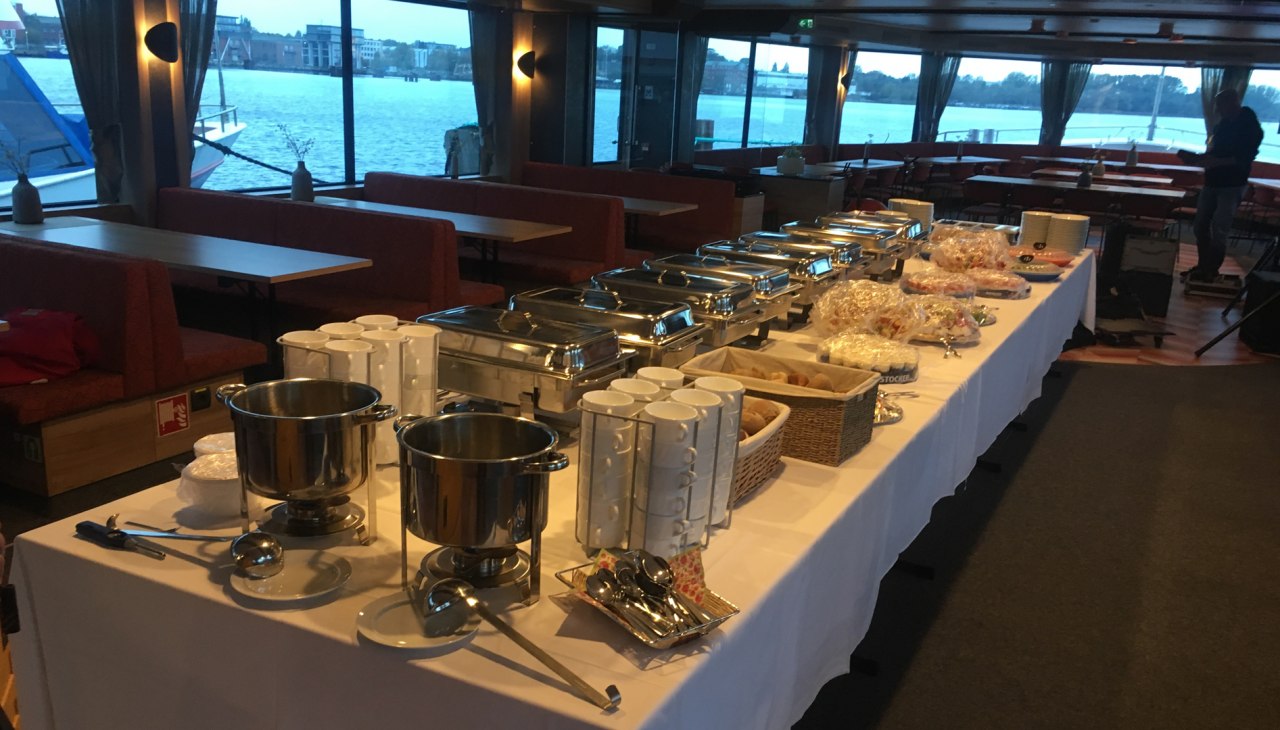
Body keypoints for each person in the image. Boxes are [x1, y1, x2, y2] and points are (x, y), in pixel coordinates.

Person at [1177, 88, 1265, 283]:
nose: (1217, 110)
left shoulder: (1252, 128)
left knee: (1220, 228)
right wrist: (1199, 159)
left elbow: (1244, 158)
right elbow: (1216, 151)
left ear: (1232, 103)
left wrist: (1214, 162)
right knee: (1200, 225)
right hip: (1213, 181)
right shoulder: (1222, 125)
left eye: (1219, 105)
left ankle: (1211, 269)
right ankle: (1203, 266)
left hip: (1233, 184)